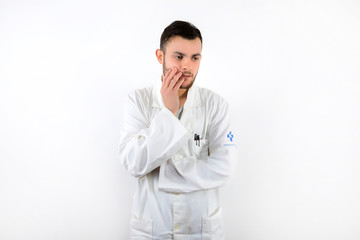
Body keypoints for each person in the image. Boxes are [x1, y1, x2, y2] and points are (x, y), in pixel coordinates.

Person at [119, 20, 236, 240]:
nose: (187, 67)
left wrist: (164, 170)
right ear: (160, 56)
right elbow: (133, 162)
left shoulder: (216, 105)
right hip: (153, 228)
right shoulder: (138, 101)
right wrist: (169, 113)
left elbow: (224, 168)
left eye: (195, 57)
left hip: (201, 229)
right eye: (179, 56)